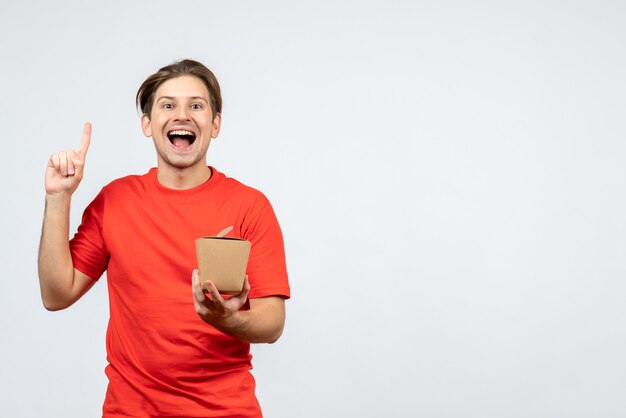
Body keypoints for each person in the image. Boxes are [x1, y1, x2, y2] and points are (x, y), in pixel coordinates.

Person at [38, 59, 290, 417]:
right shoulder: (115, 200)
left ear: (215, 124)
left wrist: (226, 320)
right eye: (168, 105)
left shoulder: (250, 206)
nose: (182, 115)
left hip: (226, 410)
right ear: (147, 123)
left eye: (196, 106)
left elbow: (273, 322)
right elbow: (56, 294)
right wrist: (57, 198)